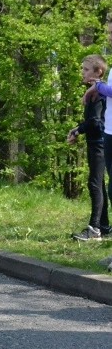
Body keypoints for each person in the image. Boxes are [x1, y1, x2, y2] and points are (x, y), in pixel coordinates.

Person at [68, 55, 108, 241]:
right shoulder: (95, 92)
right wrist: (77, 129)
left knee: (95, 184)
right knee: (98, 184)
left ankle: (95, 229)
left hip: (100, 143)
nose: (82, 73)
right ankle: (104, 225)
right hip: (96, 143)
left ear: (98, 71)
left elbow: (96, 123)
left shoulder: (99, 94)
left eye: (86, 69)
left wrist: (78, 130)